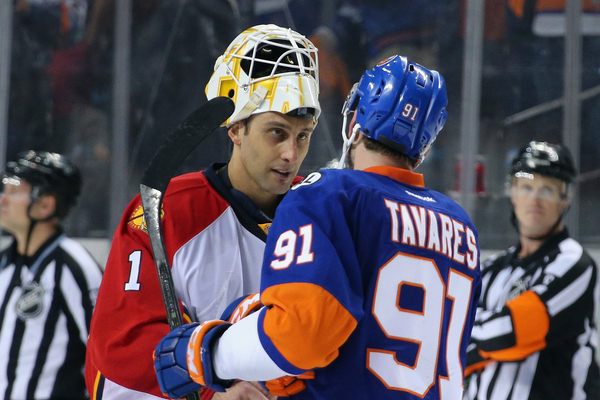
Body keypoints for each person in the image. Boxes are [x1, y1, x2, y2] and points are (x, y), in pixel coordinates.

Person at [153, 55, 482, 399]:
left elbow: (304, 333)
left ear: (355, 119)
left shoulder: (329, 194)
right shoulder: (460, 225)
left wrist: (207, 352)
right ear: (425, 145)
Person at [85, 24, 320, 400]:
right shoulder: (168, 212)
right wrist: (213, 390)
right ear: (236, 129)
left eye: (303, 135)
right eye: (277, 132)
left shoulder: (320, 213)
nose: (291, 154)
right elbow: (118, 344)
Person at [463, 141, 600, 399]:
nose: (535, 200)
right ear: (513, 194)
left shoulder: (575, 263)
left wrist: (473, 330)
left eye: (547, 189)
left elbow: (511, 332)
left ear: (565, 199)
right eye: (526, 187)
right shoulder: (491, 269)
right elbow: (455, 351)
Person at [0, 150, 103, 399]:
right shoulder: (4, 263)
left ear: (46, 205)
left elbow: (107, 352)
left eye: (15, 191)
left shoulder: (75, 267)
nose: (3, 199)